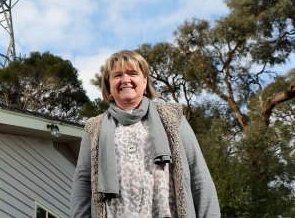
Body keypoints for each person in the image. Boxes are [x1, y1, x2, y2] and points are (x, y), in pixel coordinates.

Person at [71, 50, 220, 217]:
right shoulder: (94, 128)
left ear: (144, 80)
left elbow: (198, 174)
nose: (125, 80)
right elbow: (83, 183)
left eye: (132, 73)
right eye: (117, 75)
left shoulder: (172, 117)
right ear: (109, 84)